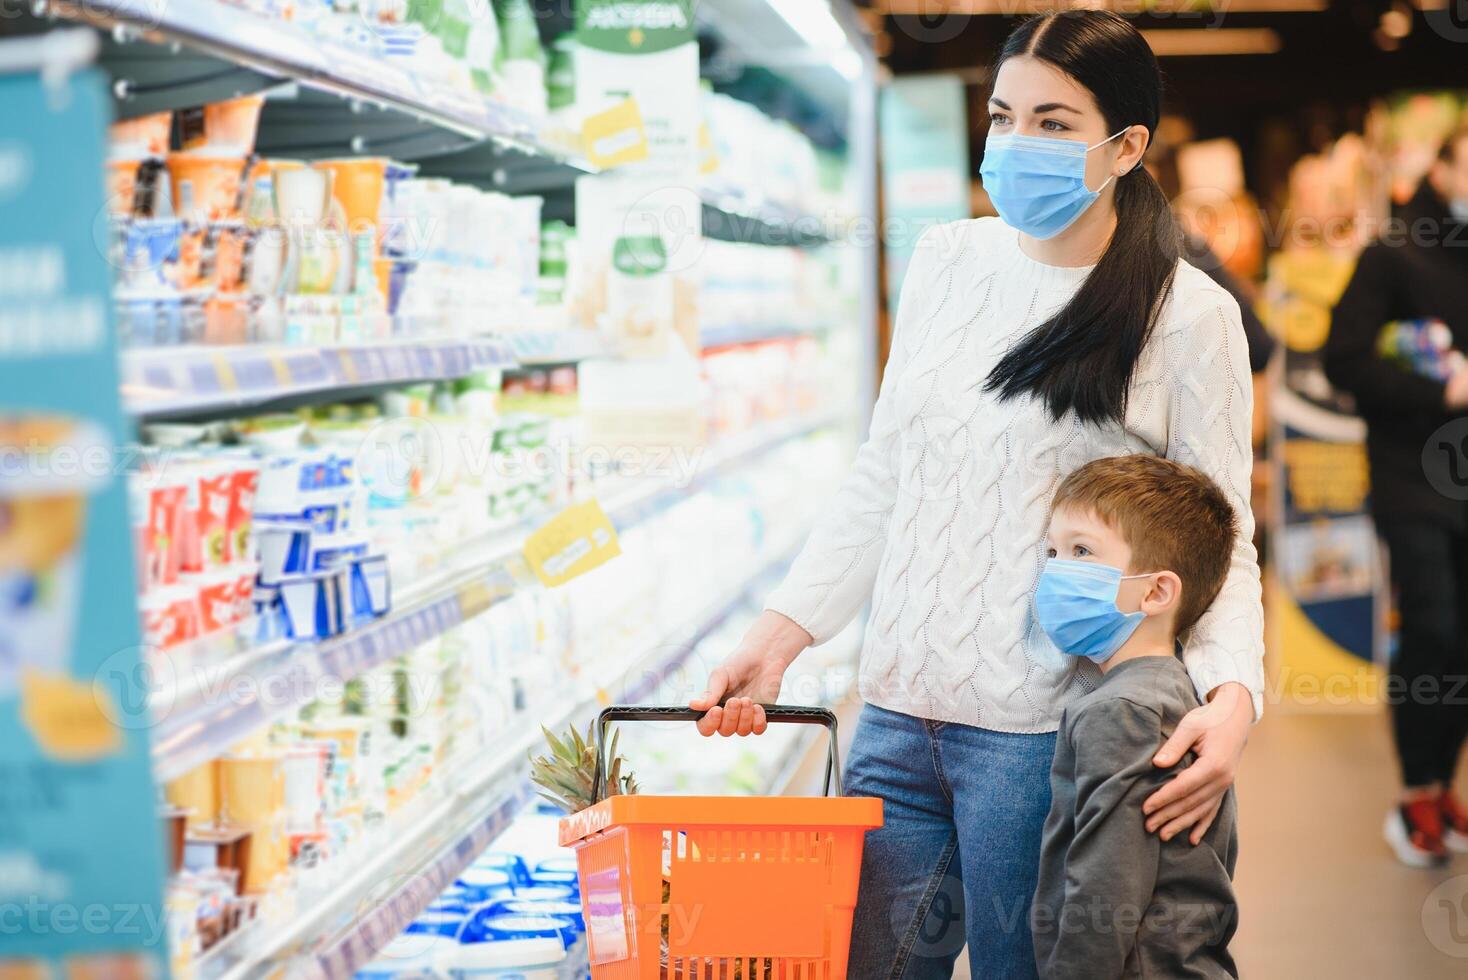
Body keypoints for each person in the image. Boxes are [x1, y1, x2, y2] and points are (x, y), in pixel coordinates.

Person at [690, 11, 1265, 977]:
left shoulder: (1187, 315)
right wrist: (781, 634)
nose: (1014, 144)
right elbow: (885, 471)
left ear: (1126, 146)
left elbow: (1225, 532)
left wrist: (1233, 693)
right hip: (894, 711)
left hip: (1044, 734)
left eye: (1052, 122)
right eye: (1002, 117)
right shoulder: (948, 263)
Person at [1029, 455, 1240, 979]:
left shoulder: (1120, 711)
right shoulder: (1174, 693)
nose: (1056, 571)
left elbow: (1105, 890)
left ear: (1156, 592)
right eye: (1052, 551)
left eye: (1081, 551)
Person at [1322, 125, 1468, 867]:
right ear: (1442, 167)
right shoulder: (1392, 253)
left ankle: (1443, 783)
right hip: (1413, 479)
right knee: (1434, 630)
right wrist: (1439, 385)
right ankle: (1414, 792)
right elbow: (1341, 357)